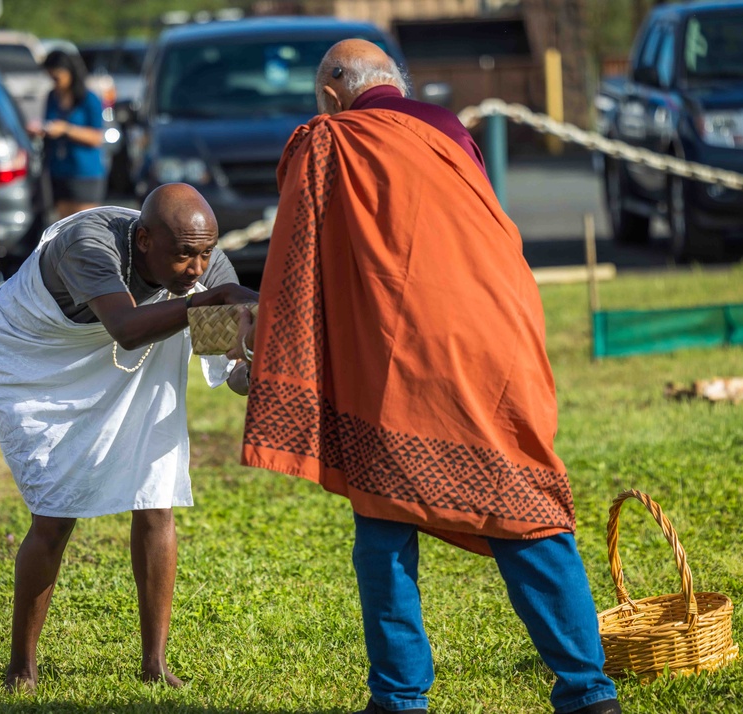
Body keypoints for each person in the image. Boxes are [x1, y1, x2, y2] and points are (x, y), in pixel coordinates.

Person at [231, 41, 621, 714]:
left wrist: (266, 364)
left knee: (382, 517)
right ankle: (589, 692)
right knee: (525, 506)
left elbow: (296, 270)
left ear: (331, 92)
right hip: (499, 331)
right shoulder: (448, 132)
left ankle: (400, 697)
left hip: (402, 352)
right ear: (398, 84)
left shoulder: (325, 141)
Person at [0, 183, 257, 692]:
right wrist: (211, 300)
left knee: (156, 498)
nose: (197, 268)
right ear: (144, 239)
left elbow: (227, 364)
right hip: (38, 358)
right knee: (56, 512)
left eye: (206, 254)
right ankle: (22, 666)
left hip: (140, 354)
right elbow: (126, 327)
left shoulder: (203, 264)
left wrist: (255, 362)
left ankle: (155, 664)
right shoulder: (90, 242)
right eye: (184, 256)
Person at [34, 50, 107, 220]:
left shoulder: (89, 99)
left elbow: (97, 137)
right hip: (58, 170)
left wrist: (66, 129)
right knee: (64, 227)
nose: (55, 83)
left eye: (57, 77)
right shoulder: (52, 96)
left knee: (85, 225)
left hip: (84, 172)